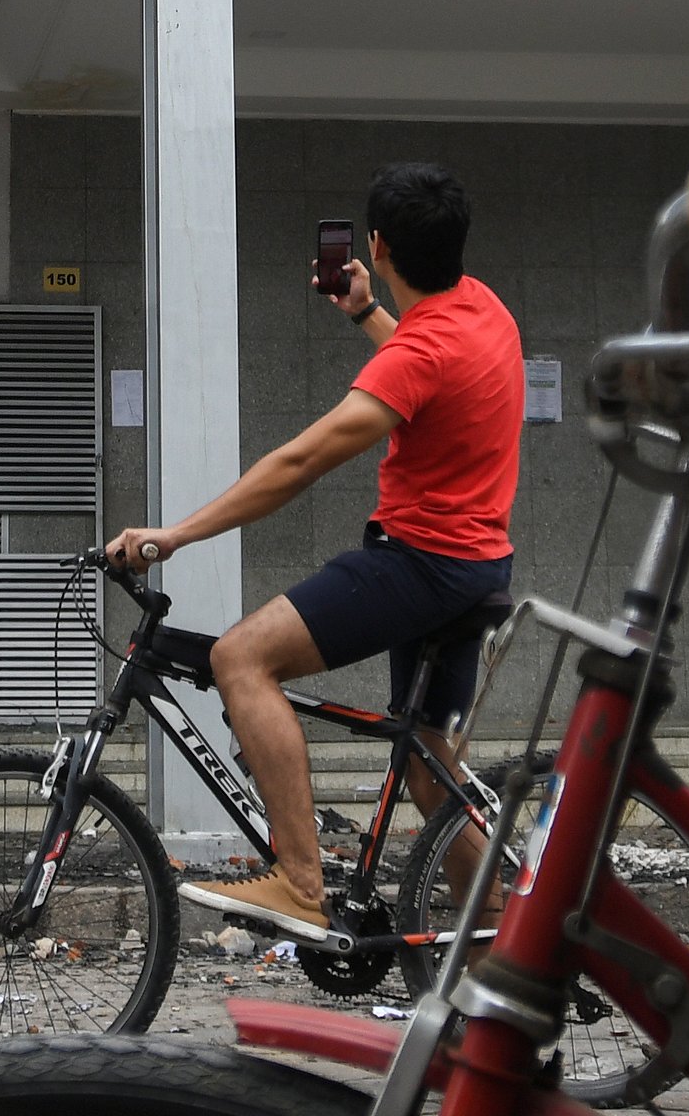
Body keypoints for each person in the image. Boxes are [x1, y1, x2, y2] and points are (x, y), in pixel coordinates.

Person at [105, 161, 522, 937]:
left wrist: (173, 537)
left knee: (240, 659)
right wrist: (365, 313)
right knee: (434, 769)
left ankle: (300, 882)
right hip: (477, 565)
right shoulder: (483, 312)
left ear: (378, 245)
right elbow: (430, 373)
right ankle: (501, 942)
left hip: (421, 562)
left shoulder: (418, 355)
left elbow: (299, 462)